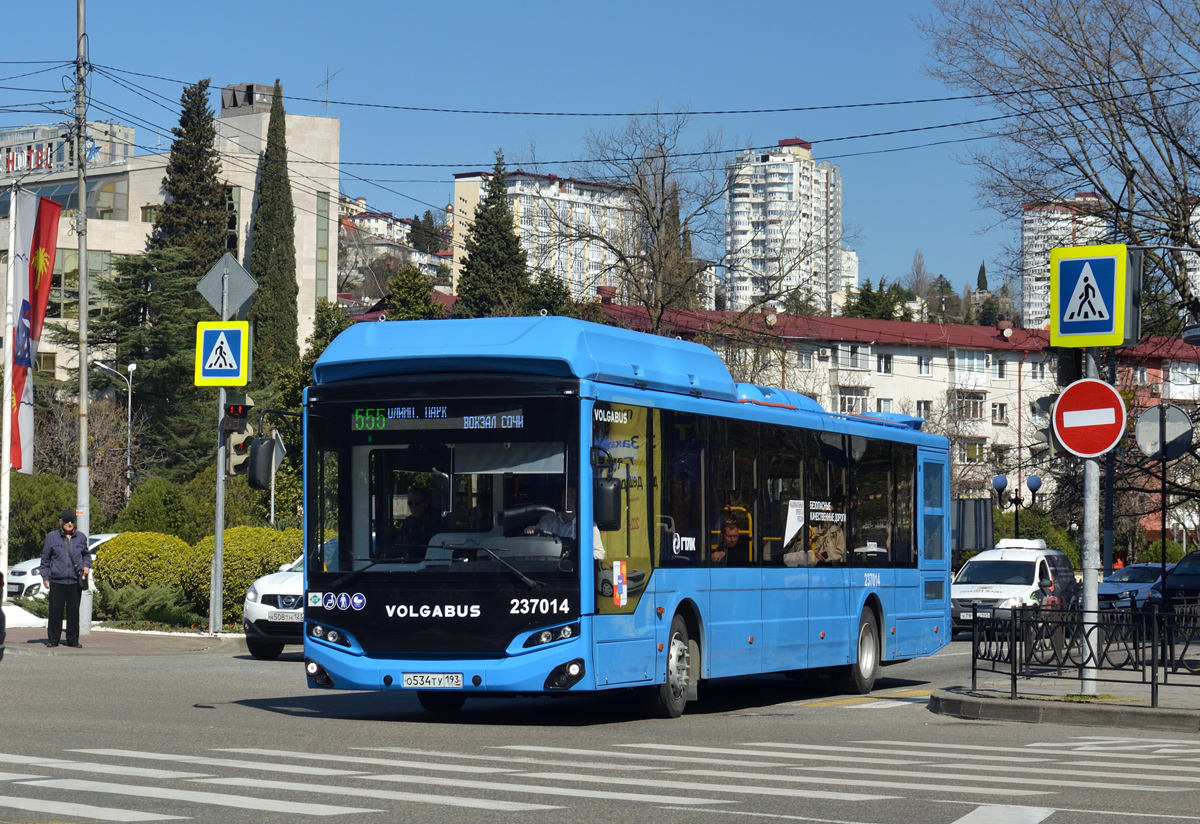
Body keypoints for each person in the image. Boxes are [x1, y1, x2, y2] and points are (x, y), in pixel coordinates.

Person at [39, 509, 90, 648]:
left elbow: (86, 555)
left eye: (71, 521)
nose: (69, 523)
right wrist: (45, 577)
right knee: (55, 612)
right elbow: (45, 559)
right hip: (57, 581)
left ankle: (73, 640)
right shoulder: (52, 537)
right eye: (66, 521)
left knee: (73, 613)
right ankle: (53, 639)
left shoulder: (80, 537)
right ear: (60, 522)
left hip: (74, 581)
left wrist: (86, 566)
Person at [525, 488, 606, 560]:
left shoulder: (589, 526)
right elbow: (537, 541)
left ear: (579, 499)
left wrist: (579, 557)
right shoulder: (548, 519)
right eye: (564, 496)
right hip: (547, 569)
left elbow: (599, 553)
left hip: (573, 573)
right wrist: (533, 532)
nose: (567, 499)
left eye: (572, 496)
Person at [395, 487, 438, 559]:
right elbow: (398, 545)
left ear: (426, 502)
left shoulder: (438, 520)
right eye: (410, 503)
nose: (413, 507)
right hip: (413, 565)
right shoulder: (408, 522)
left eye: (417, 503)